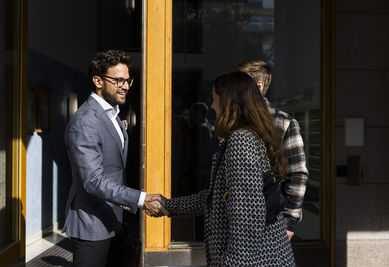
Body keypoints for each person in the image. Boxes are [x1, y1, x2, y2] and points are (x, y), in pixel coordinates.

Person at [150, 71, 296, 266]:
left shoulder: (241, 140)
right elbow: (215, 198)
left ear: (229, 103)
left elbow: (247, 219)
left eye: (214, 98)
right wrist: (169, 206)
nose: (211, 105)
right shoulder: (245, 137)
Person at [63, 50, 163, 267]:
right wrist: (141, 199)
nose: (125, 86)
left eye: (128, 80)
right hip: (91, 225)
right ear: (98, 81)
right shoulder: (85, 121)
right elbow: (92, 181)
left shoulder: (113, 115)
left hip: (114, 219)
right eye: (118, 80)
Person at [237, 60, 309, 240]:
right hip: (236, 221)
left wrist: (289, 222)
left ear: (258, 86)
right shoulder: (233, 122)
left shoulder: (284, 123)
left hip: (271, 222)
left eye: (240, 83)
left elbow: (297, 173)